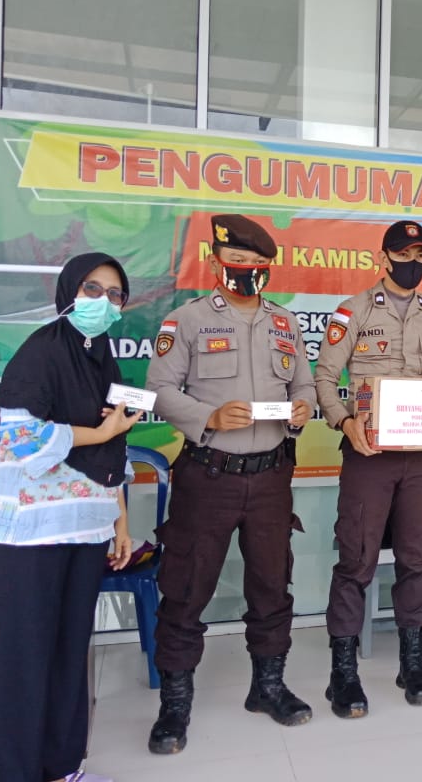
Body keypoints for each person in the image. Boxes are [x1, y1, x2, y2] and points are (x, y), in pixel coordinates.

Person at [144, 215, 316, 753]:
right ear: (217, 263)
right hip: (209, 476)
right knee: (186, 590)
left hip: (271, 478)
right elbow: (159, 390)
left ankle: (268, 687)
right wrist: (210, 417)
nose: (246, 271)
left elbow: (304, 384)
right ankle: (175, 706)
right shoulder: (187, 320)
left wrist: (302, 409)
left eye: (256, 264)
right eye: (237, 262)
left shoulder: (285, 323)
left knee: (272, 586)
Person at [0, 252, 141, 782]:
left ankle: (62, 767)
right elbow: (21, 440)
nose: (103, 302)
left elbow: (112, 452)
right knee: (19, 660)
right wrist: (102, 432)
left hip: (86, 527)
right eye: (92, 289)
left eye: (114, 295)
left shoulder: (103, 359)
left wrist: (119, 522)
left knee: (69, 653)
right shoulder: (41, 351)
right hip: (29, 532)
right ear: (69, 290)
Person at [314, 219, 422, 718]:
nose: (412, 263)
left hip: (419, 458)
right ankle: (343, 673)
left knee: (416, 558)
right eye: (403, 254)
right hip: (368, 455)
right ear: (384, 258)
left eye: (421, 255)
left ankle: (411, 665)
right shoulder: (353, 310)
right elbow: (325, 376)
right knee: (356, 560)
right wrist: (344, 421)